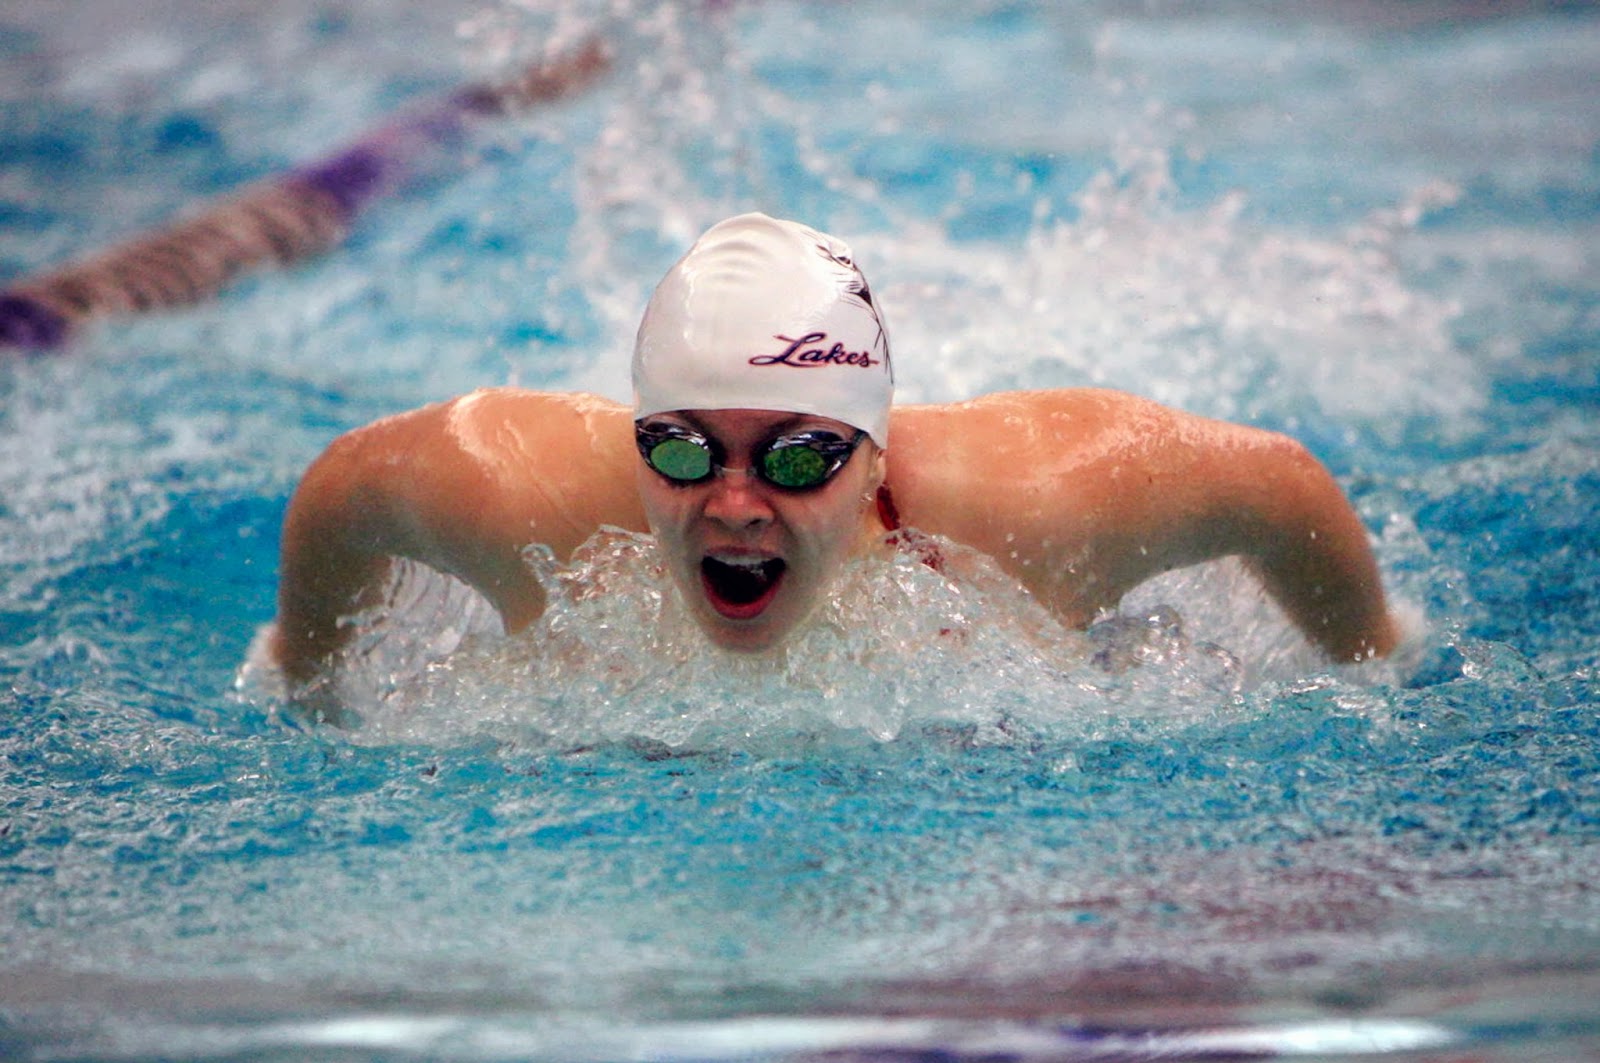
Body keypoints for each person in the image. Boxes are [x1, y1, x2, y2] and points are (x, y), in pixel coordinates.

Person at [269, 212, 1399, 695]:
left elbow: (1277, 485)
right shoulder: (518, 494)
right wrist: (311, 687)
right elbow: (342, 489)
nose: (733, 503)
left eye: (797, 458)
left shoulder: (1033, 506)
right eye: (680, 448)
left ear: (872, 456)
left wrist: (1375, 662)